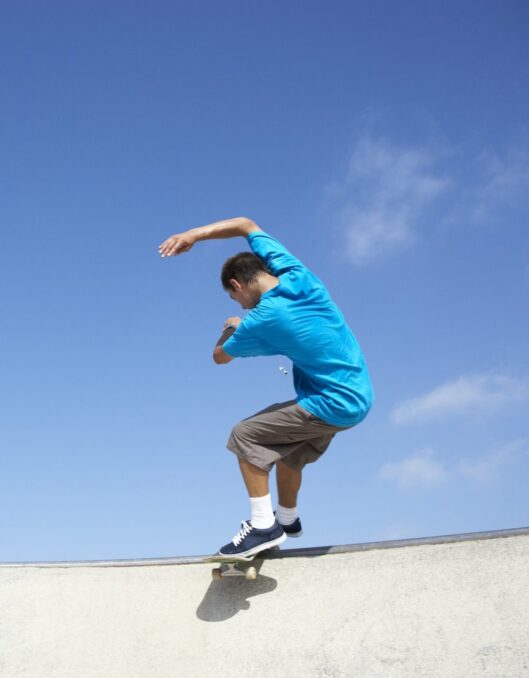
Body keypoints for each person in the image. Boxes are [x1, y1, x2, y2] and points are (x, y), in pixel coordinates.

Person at [158, 217, 373, 558]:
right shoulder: (298, 275)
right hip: (358, 394)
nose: (241, 307)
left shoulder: (262, 319)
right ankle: (287, 520)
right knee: (286, 455)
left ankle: (262, 527)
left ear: (237, 284)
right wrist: (192, 235)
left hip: (330, 403)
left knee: (245, 435)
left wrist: (232, 327)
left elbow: (219, 357)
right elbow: (245, 224)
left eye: (236, 299)